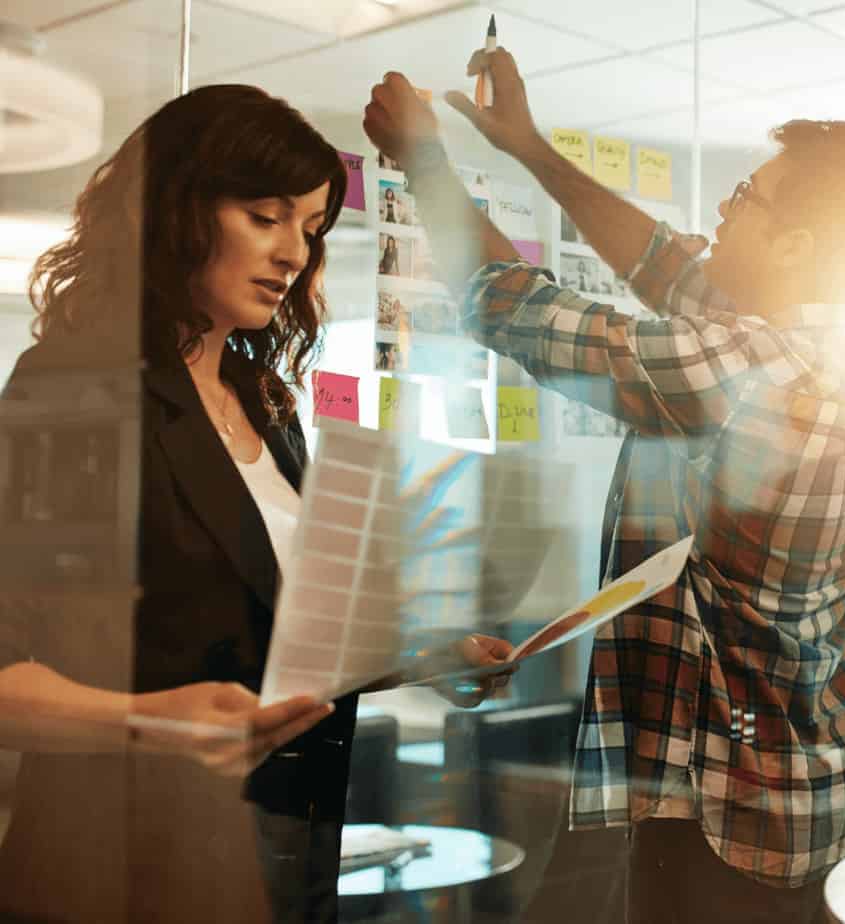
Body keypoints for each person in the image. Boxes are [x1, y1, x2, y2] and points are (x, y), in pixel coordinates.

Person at [364, 43, 845, 922]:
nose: (722, 213)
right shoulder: (840, 354)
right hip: (796, 791)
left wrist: (427, 159)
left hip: (724, 809)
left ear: (798, 244)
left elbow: (509, 301)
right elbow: (663, 263)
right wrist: (528, 146)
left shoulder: (754, 370)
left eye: (747, 200)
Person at [0, 84, 514, 923]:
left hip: (283, 844)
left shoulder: (265, 400)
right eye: (265, 217)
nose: (294, 256)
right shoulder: (77, 393)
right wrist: (148, 721)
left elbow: (277, 633)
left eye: (311, 231)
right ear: (174, 209)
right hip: (126, 860)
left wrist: (419, 654)